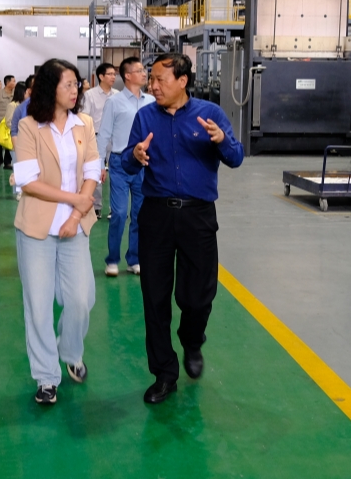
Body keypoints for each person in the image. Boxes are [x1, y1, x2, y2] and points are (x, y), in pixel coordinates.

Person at [121, 52, 243, 405]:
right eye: (151, 79)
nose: (153, 86)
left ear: (182, 81)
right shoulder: (145, 117)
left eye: (160, 79)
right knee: (154, 297)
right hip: (156, 215)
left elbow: (236, 158)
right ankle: (164, 373)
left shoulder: (210, 114)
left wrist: (221, 140)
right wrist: (135, 156)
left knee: (198, 295)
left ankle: (192, 339)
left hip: (197, 216)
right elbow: (128, 162)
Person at [12, 58, 101, 405]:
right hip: (37, 227)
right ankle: (47, 377)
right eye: (68, 84)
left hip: (74, 226)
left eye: (77, 84)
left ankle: (70, 351)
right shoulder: (29, 126)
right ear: (50, 88)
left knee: (81, 299)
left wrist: (76, 215)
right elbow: (28, 182)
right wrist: (75, 199)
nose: (75, 90)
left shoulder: (84, 124)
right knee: (38, 306)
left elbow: (92, 171)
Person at [98, 56, 155, 278]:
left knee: (140, 214)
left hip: (144, 163)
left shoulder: (151, 101)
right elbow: (104, 135)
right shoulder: (114, 102)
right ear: (128, 75)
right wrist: (100, 164)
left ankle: (134, 259)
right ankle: (112, 259)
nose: (144, 73)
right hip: (120, 162)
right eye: (140, 70)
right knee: (120, 213)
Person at [83, 62, 117, 218]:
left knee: (116, 173)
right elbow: (85, 117)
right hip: (96, 137)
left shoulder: (117, 95)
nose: (113, 77)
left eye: (114, 74)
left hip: (114, 137)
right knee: (96, 172)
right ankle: (96, 207)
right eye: (110, 74)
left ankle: (114, 208)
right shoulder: (90, 95)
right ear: (101, 76)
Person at [0, 75, 16, 169]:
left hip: (11, 121)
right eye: (13, 81)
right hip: (0, 121)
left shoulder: (16, 93)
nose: (15, 83)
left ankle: (7, 162)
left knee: (8, 142)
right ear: (8, 82)